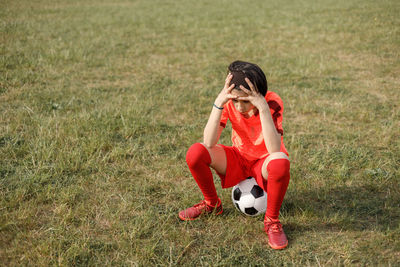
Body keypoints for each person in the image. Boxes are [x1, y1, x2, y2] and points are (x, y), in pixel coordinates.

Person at [178, 60, 291, 250]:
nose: (239, 106)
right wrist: (219, 102)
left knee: (280, 162)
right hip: (238, 158)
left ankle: (271, 220)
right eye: (235, 100)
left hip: (263, 162)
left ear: (259, 95)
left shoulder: (271, 102)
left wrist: (262, 107)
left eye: (245, 101)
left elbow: (274, 150)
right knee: (196, 152)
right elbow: (209, 142)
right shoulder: (230, 103)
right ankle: (212, 204)